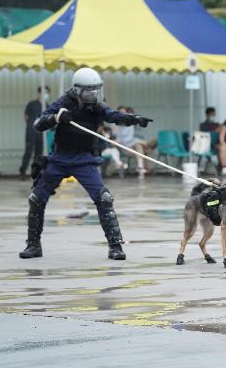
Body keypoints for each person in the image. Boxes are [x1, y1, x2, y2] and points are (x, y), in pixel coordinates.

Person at [19, 67, 152, 260]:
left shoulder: (98, 105)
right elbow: (38, 124)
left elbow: (113, 115)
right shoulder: (64, 102)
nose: (93, 94)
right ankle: (33, 246)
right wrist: (55, 118)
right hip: (60, 158)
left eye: (95, 89)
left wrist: (133, 119)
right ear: (78, 89)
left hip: (84, 160)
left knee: (104, 198)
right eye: (89, 90)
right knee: (36, 198)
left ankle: (115, 246)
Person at [111, 106, 156, 175]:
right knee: (145, 149)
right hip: (124, 147)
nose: (122, 114)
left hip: (132, 144)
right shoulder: (115, 125)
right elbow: (116, 139)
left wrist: (139, 119)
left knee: (141, 146)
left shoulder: (129, 124)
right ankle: (144, 165)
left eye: (124, 112)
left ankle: (141, 167)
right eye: (120, 112)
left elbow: (129, 137)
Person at [20, 86, 50, 177]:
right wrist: (31, 126)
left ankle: (35, 173)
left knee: (38, 154)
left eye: (47, 93)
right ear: (39, 93)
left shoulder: (47, 106)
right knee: (28, 152)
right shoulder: (32, 104)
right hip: (31, 132)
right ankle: (22, 172)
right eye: (43, 92)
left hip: (42, 133)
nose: (45, 95)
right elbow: (26, 117)